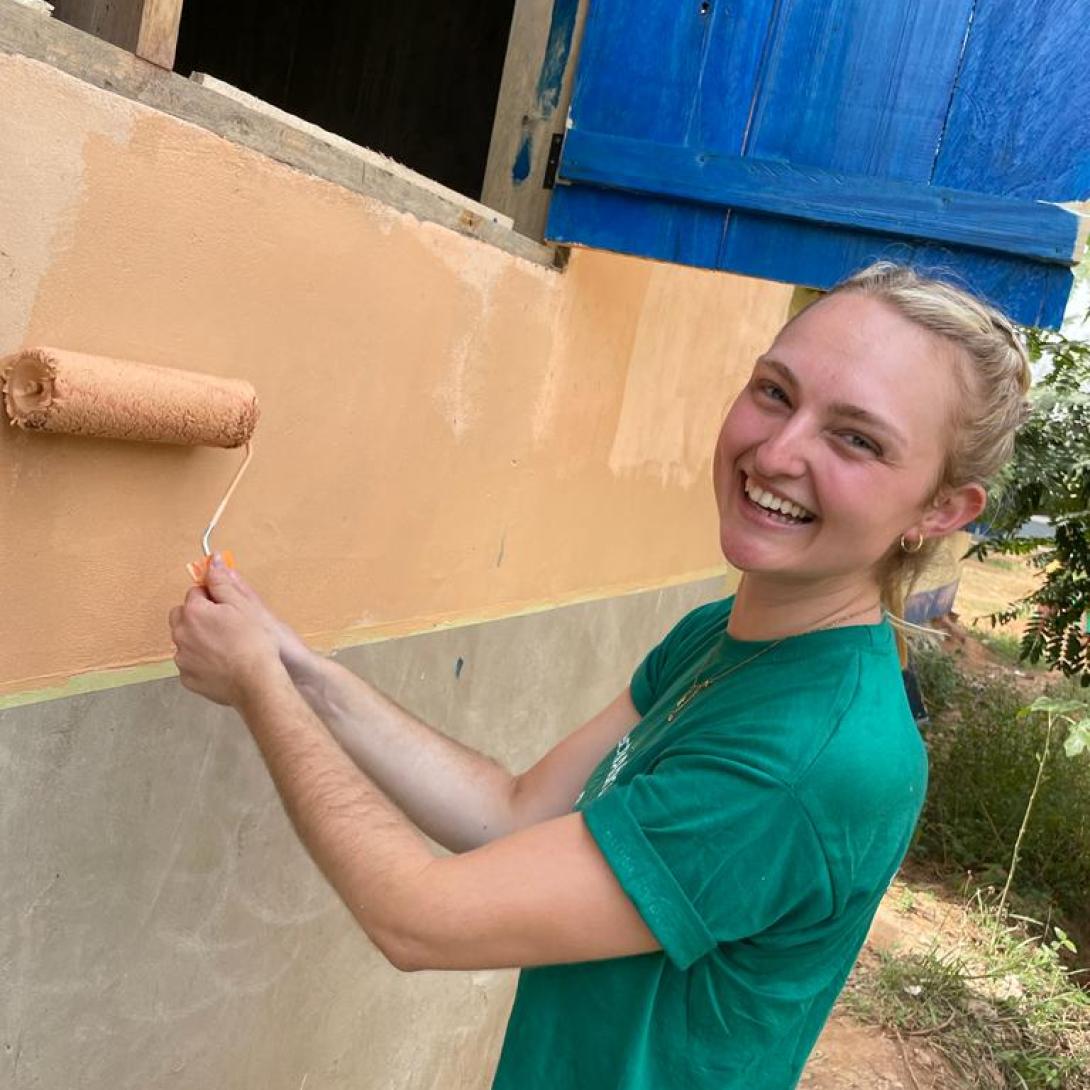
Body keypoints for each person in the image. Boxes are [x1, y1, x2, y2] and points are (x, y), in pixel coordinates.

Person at [168, 262, 1031, 1088]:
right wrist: (294, 665)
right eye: (774, 392)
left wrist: (259, 691)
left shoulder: (807, 764)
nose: (776, 453)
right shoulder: (723, 635)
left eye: (856, 438)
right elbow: (509, 813)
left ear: (939, 509)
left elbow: (416, 917)